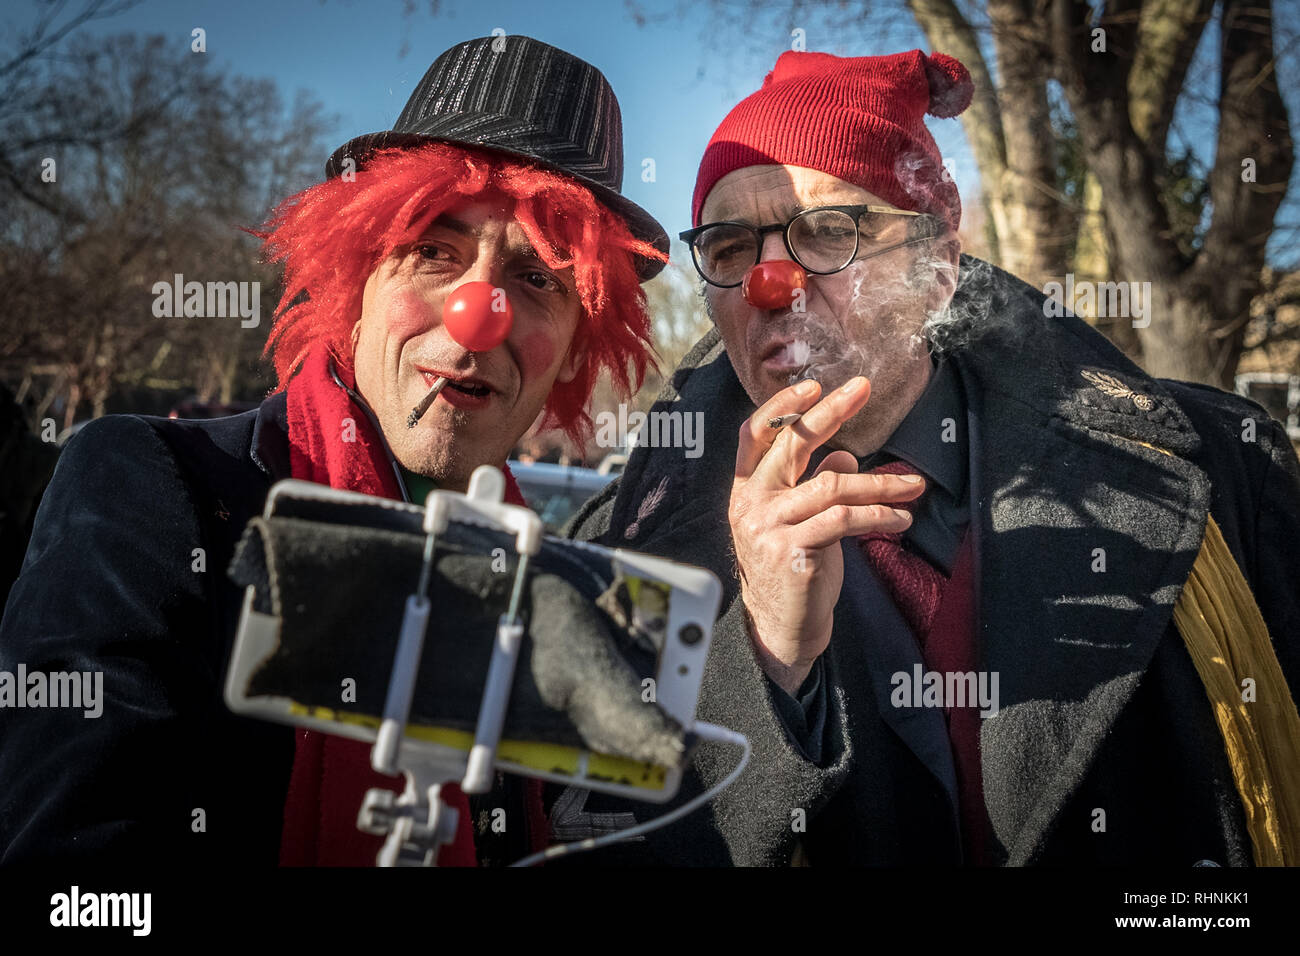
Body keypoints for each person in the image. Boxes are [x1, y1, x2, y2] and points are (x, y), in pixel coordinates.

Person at [563, 48, 1300, 865]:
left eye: (829, 231)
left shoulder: (1226, 471)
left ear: (938, 271)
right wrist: (765, 656)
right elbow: (610, 842)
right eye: (732, 247)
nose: (772, 283)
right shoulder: (622, 550)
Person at [0, 34, 669, 867]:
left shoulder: (549, 595)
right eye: (434, 252)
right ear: (356, 290)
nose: (477, 315)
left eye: (538, 279)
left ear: (573, 352)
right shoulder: (153, 484)